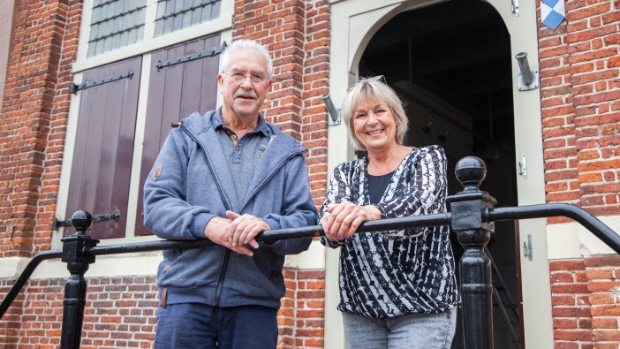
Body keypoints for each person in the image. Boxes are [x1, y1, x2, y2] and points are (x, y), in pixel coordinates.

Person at [143, 39, 318, 349]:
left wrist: (269, 227)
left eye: (257, 76)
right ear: (222, 81)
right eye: (238, 74)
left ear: (268, 86)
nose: (247, 84)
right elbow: (156, 205)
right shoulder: (185, 136)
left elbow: (305, 222)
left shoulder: (287, 153)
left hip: (254, 305)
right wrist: (209, 225)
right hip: (186, 298)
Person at [319, 76, 459, 349]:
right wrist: (330, 223)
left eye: (379, 111)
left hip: (422, 306)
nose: (371, 121)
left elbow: (422, 205)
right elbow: (329, 234)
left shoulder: (427, 158)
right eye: (360, 115)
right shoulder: (345, 173)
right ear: (353, 127)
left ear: (395, 117)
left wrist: (373, 212)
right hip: (361, 310)